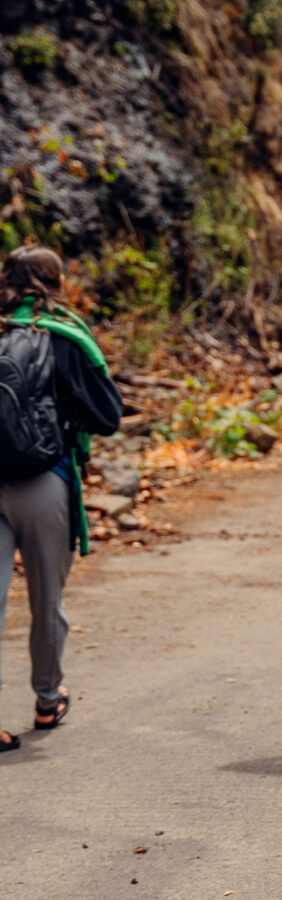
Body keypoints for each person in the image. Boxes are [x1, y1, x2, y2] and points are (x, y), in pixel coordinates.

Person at [0, 246, 125, 748]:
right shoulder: (65, 335)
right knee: (46, 599)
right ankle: (48, 699)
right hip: (44, 480)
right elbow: (108, 416)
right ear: (55, 283)